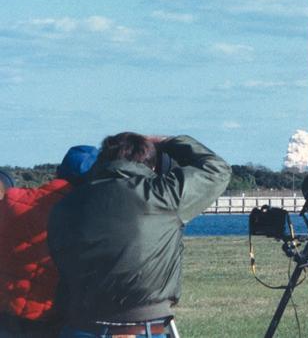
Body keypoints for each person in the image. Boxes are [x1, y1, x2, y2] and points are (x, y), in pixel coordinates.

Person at [48, 133, 231, 338]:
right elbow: (217, 169)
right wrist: (167, 142)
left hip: (79, 325)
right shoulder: (163, 195)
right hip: (144, 325)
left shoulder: (66, 205)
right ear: (152, 166)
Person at [0, 146, 98, 338]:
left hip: (6, 312)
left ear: (57, 172)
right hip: (48, 318)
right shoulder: (86, 215)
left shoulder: (12, 200)